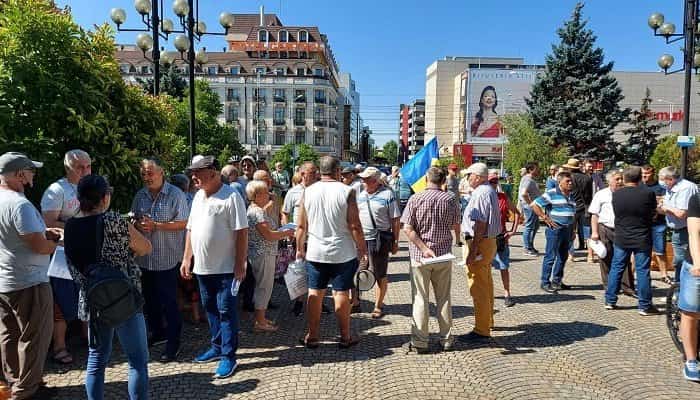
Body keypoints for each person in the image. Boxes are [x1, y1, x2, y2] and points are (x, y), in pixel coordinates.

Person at [64, 175, 152, 400]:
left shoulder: (70, 226)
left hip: (94, 300)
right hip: (122, 298)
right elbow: (145, 248)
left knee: (96, 360)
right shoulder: (113, 220)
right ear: (104, 198)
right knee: (137, 362)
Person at [180, 156, 248, 379]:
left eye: (197, 172)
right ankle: (217, 347)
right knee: (210, 308)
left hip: (227, 269)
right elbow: (191, 228)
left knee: (226, 311)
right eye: (192, 172)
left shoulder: (231, 196)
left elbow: (241, 231)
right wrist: (186, 258)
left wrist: (240, 264)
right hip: (202, 268)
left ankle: (229, 356)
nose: (193, 177)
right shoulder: (198, 196)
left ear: (212, 172)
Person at [0, 152, 58, 400]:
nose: (34, 174)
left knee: (9, 334)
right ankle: (26, 392)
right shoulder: (19, 204)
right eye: (30, 170)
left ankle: (16, 382)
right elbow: (38, 245)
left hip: (5, 279)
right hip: (29, 280)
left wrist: (43, 232)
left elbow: (15, 236)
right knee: (35, 337)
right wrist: (54, 241)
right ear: (19, 174)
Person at [296, 156, 367, 349]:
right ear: (337, 171)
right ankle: (345, 336)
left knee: (315, 293)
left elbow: (301, 225)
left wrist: (299, 248)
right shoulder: (347, 191)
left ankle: (312, 335)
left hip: (316, 252)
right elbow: (355, 225)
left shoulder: (307, 192)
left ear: (320, 171)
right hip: (342, 252)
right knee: (341, 292)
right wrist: (362, 248)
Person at [131, 158, 189, 362]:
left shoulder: (176, 194)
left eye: (150, 173)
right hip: (145, 259)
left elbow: (184, 223)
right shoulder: (140, 195)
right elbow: (134, 219)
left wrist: (157, 225)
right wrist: (138, 224)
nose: (146, 177)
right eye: (143, 173)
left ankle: (174, 342)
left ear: (161, 172)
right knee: (150, 301)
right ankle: (158, 333)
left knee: (169, 302)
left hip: (167, 258)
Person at [401, 167, 460, 353]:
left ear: (426, 178)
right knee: (444, 298)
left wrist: (424, 248)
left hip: (420, 257)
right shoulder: (450, 199)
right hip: (443, 255)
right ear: (443, 180)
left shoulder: (415, 198)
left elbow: (408, 229)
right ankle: (447, 339)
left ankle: (420, 341)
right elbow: (454, 224)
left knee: (420, 298)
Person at [40, 149, 91, 366]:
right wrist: (79, 227)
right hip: (62, 254)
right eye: (80, 167)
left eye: (88, 166)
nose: (85, 170)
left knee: (88, 296)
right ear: (68, 167)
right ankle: (59, 346)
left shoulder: (90, 186)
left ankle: (91, 340)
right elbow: (48, 222)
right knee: (61, 302)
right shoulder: (56, 189)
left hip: (86, 252)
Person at [605, 167, 658, 315]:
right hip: (642, 236)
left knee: (617, 267)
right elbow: (652, 213)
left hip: (622, 236)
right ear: (640, 178)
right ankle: (645, 305)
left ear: (625, 178)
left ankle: (610, 300)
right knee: (642, 271)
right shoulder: (648, 193)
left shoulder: (616, 194)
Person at [245, 180, 294, 332]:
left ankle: (261, 317)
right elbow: (269, 235)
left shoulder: (256, 209)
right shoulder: (257, 212)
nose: (270, 194)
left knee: (263, 286)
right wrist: (287, 232)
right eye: (266, 192)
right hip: (263, 253)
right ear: (258, 195)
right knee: (264, 287)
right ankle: (259, 322)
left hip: (261, 253)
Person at [459, 163, 501, 341]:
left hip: (480, 242)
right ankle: (487, 321)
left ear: (477, 176)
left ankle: (481, 329)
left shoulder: (481, 192)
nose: (467, 178)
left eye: (469, 175)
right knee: (486, 283)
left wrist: (473, 249)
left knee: (478, 286)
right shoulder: (487, 190)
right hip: (486, 241)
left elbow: (480, 223)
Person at [357, 167, 401, 319]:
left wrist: (395, 241)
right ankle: (355, 302)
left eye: (365, 179)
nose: (362, 182)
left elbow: (395, 220)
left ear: (374, 181)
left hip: (379, 239)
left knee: (379, 273)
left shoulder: (388, 195)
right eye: (362, 179)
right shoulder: (360, 195)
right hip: (361, 240)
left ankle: (378, 305)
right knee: (357, 272)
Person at [589, 170, 636, 295]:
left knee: (624, 258)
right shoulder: (601, 194)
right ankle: (609, 285)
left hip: (622, 229)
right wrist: (594, 233)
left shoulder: (627, 194)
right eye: (617, 179)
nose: (620, 181)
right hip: (605, 228)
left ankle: (627, 287)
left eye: (621, 179)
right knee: (605, 257)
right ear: (609, 181)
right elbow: (594, 214)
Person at [282, 162, 318, 316]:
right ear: (303, 174)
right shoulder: (293, 192)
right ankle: (299, 301)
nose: (316, 174)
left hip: (316, 237)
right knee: (299, 270)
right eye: (312, 172)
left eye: (316, 172)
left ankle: (317, 301)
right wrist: (287, 230)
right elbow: (284, 212)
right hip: (298, 237)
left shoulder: (319, 191)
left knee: (316, 271)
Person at [531, 171, 577, 293]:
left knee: (563, 256)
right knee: (550, 256)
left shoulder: (571, 195)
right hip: (555, 229)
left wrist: (573, 230)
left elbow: (573, 214)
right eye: (567, 181)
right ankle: (545, 282)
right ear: (559, 182)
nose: (570, 183)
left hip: (567, 229)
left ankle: (557, 281)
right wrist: (544, 217)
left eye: (571, 180)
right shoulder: (551, 194)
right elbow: (535, 204)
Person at [659, 166, 699, 283]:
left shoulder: (686, 188)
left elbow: (682, 213)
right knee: (680, 261)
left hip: (685, 229)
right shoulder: (671, 187)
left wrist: (665, 207)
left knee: (681, 262)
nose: (660, 182)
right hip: (676, 229)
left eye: (662, 179)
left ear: (670, 179)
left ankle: (680, 292)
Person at [488, 171, 520, 308]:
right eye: (491, 182)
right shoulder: (481, 197)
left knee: (503, 266)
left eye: (495, 182)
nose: (494, 184)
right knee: (484, 268)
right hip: (485, 238)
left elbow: (517, 213)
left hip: (500, 237)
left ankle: (507, 294)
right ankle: (487, 293)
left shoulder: (502, 197)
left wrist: (512, 231)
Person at [679, 191, 700, 381]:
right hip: (696, 262)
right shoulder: (698, 198)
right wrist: (698, 263)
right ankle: (691, 360)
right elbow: (694, 234)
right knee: (692, 312)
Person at [641, 165, 671, 284]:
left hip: (658, 223)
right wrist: (656, 200)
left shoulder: (660, 187)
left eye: (647, 174)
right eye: (642, 174)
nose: (644, 176)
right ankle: (632, 274)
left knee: (660, 250)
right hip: (642, 224)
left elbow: (664, 200)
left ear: (653, 173)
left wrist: (657, 200)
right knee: (640, 250)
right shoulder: (639, 186)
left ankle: (664, 274)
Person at [563, 158, 593, 261]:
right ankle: (590, 256)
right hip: (585, 207)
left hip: (572, 207)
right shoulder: (588, 178)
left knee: (571, 231)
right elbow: (590, 195)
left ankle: (571, 255)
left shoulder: (569, 178)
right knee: (588, 233)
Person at [519, 162, 542, 256]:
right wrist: (531, 204)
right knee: (529, 227)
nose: (538, 170)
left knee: (535, 226)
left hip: (533, 206)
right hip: (530, 207)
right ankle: (527, 248)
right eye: (537, 169)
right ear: (531, 170)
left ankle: (530, 246)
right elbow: (524, 193)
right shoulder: (528, 179)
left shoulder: (530, 179)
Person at [445, 163, 463, 247]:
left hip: (456, 203)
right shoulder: (445, 179)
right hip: (448, 204)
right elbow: (442, 190)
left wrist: (459, 200)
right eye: (453, 169)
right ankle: (445, 240)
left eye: (455, 169)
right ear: (448, 170)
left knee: (457, 222)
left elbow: (457, 191)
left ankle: (458, 240)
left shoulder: (456, 179)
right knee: (446, 223)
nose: (454, 171)